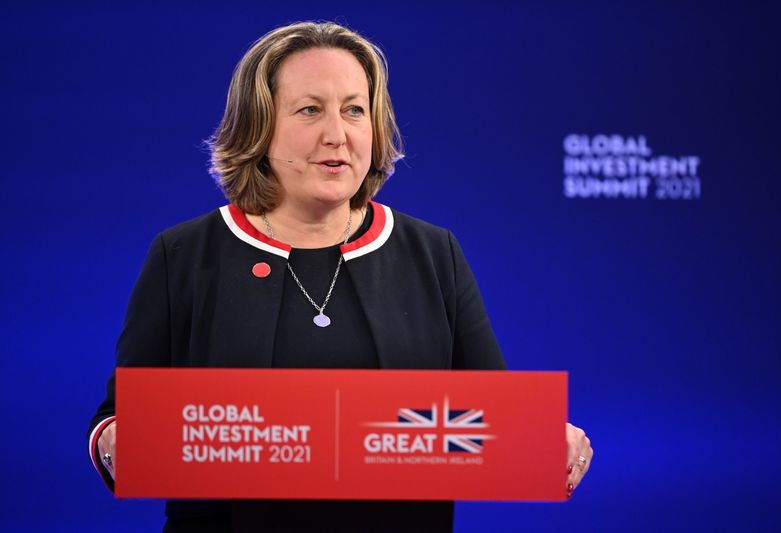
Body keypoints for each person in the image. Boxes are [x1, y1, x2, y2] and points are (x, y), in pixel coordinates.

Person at [88, 21, 593, 532]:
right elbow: (120, 417)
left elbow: (490, 420)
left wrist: (545, 438)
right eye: (310, 110)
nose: (338, 134)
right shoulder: (185, 254)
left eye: (354, 110)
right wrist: (117, 439)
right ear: (258, 128)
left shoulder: (432, 252)